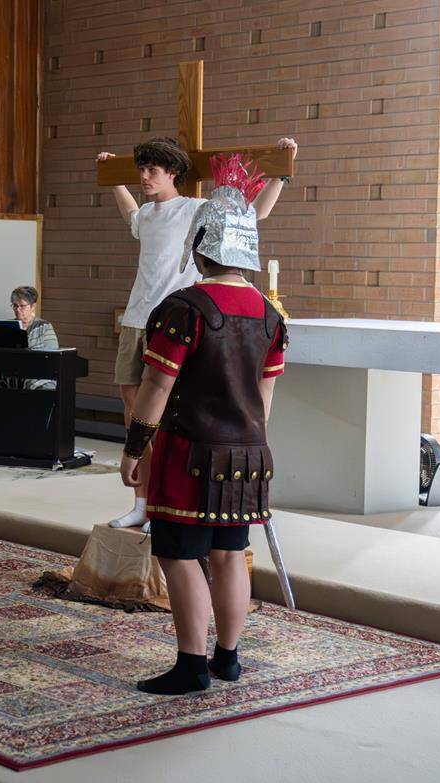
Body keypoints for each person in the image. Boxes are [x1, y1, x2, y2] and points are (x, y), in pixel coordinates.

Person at [118, 154, 289, 696]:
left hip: (189, 451)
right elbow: (265, 398)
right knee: (230, 552)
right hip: (247, 454)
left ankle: (191, 666)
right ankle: (228, 659)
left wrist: (134, 447)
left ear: (199, 247)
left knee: (179, 553)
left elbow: (156, 387)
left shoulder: (183, 307)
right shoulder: (271, 315)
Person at [97, 136, 296, 530]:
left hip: (176, 317)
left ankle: (162, 505)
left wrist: (280, 175)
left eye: (153, 170)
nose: (144, 177)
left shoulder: (196, 209)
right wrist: (114, 181)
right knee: (132, 406)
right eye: (141, 170)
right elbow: (131, 216)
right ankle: (141, 500)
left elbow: (253, 215)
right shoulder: (148, 216)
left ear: (174, 173)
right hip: (138, 316)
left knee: (169, 407)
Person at [0, 285, 60, 391]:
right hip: (12, 375)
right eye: (15, 306)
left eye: (22, 306)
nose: (18, 309)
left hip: (38, 376)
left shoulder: (44, 327)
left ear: (32, 306)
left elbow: (52, 358)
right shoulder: (7, 326)